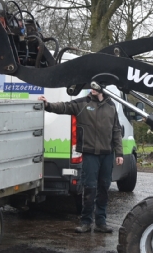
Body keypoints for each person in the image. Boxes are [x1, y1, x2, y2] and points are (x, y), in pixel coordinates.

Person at [38, 88, 124, 233]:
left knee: (104, 188)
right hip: (90, 154)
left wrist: (119, 153)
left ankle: (101, 223)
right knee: (89, 188)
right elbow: (64, 107)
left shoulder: (111, 105)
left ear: (102, 88)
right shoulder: (82, 103)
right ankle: (86, 222)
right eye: (91, 86)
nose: (93, 89)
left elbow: (116, 130)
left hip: (107, 154)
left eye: (96, 86)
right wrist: (48, 105)